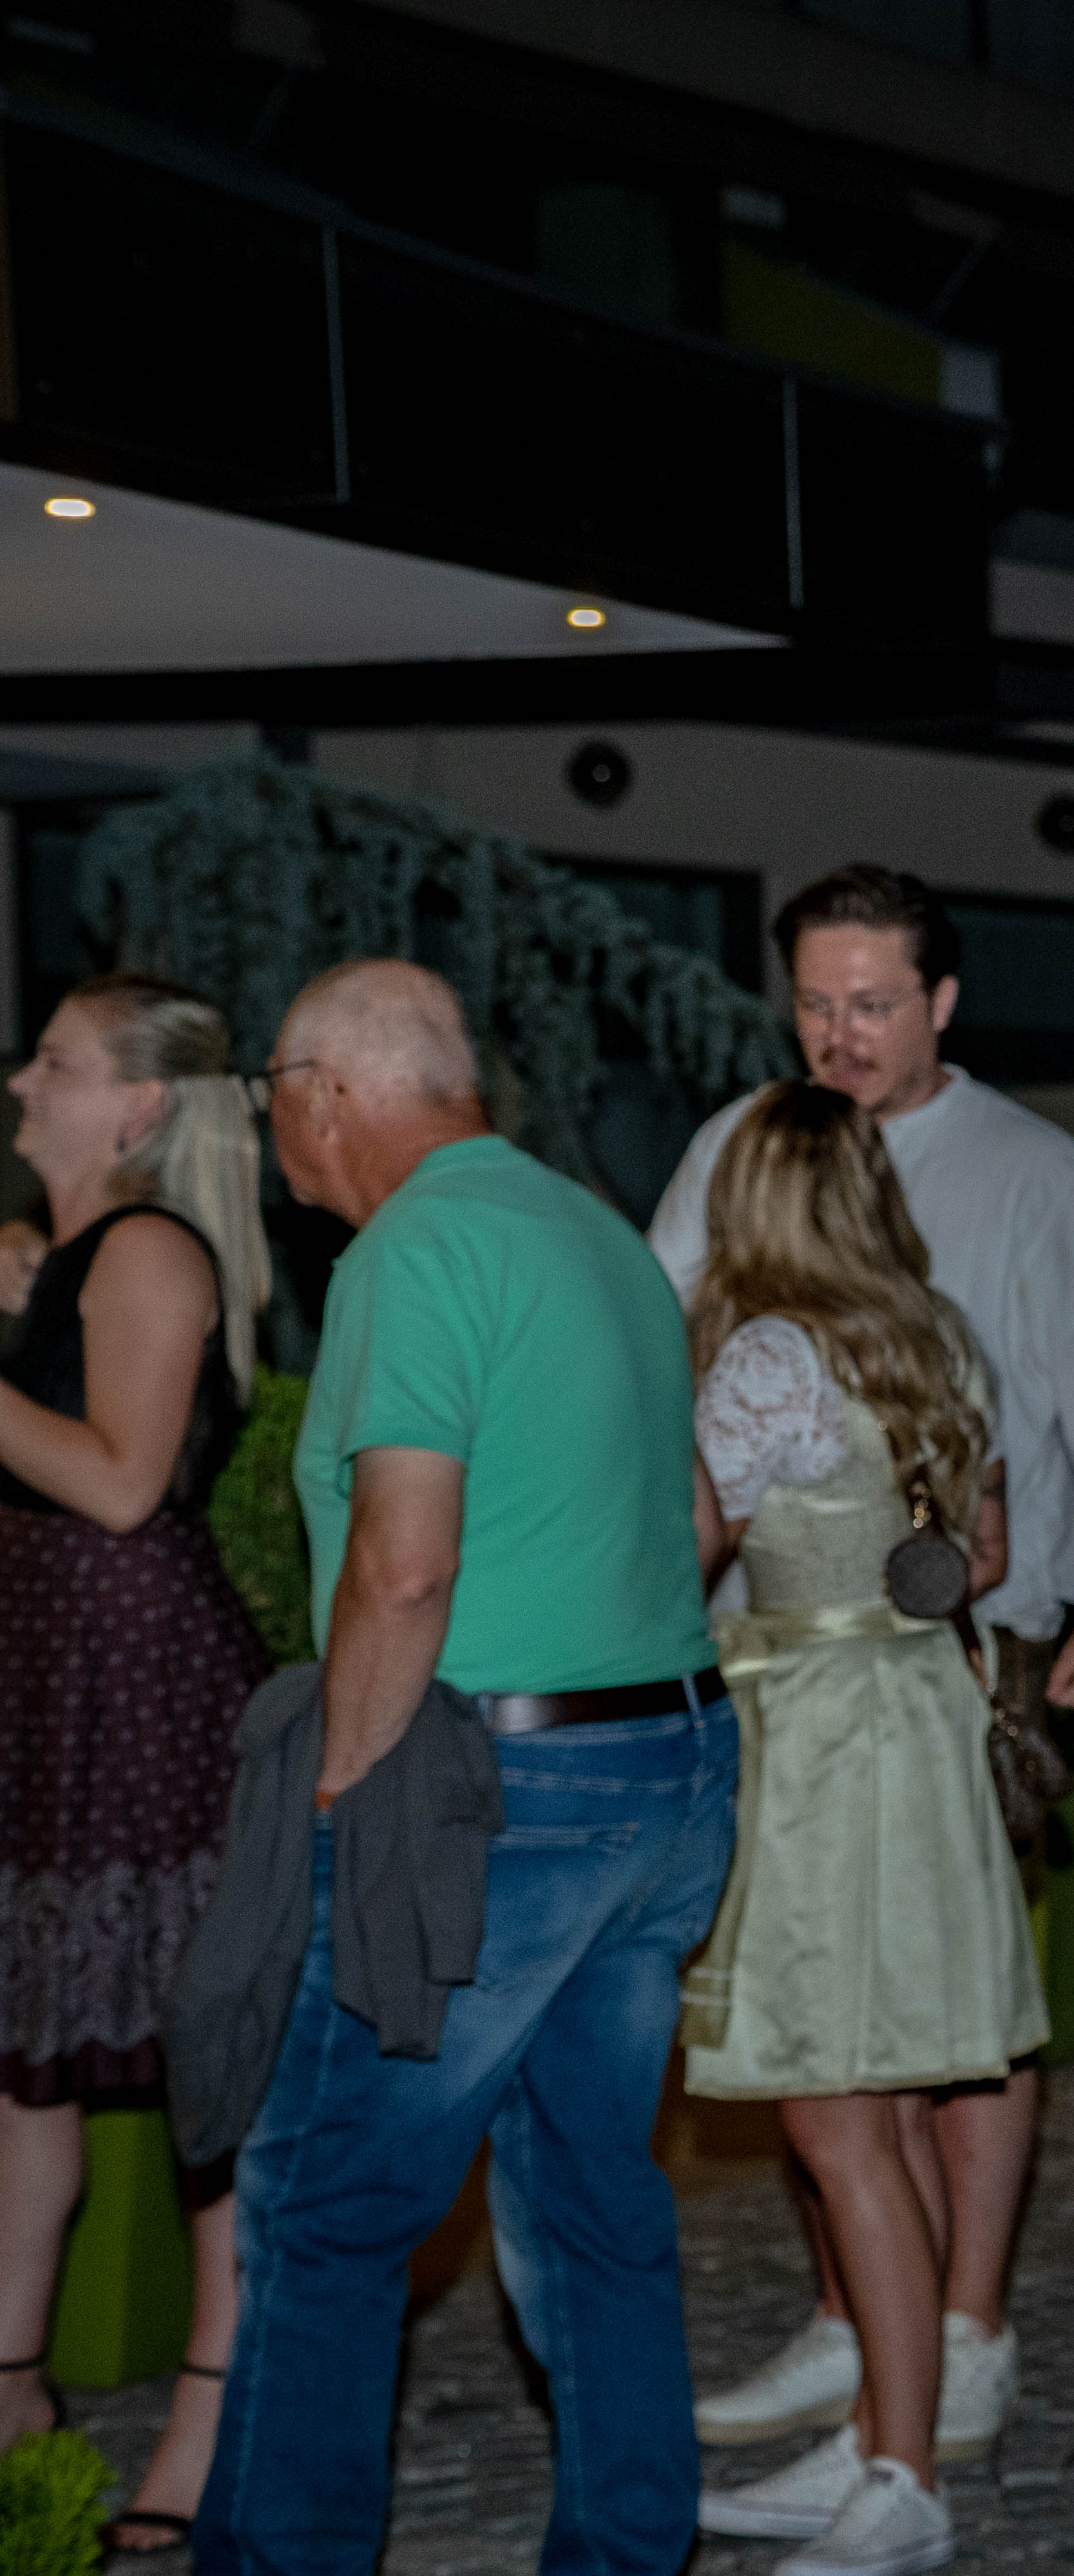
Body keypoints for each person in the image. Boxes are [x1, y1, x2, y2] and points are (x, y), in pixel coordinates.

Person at [193, 960, 734, 2576]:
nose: (275, 1127)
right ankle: (628, 2550)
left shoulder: (412, 1246)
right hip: (670, 1760)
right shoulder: (600, 1233)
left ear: (328, 1093)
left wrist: (342, 1796)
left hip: (495, 1793)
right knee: (593, 2200)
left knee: (326, 2207)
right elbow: (702, 1518)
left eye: (275, 1092)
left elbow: (403, 1564)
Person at [646, 866, 1074, 2459]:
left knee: (956, 2010)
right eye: (816, 1003)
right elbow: (655, 1341)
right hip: (780, 1639)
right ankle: (855, 2328)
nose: (841, 1033)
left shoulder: (1034, 1172)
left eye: (872, 1003)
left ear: (941, 1001)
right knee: (838, 2014)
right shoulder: (747, 1139)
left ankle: (965, 2326)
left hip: (971, 1643)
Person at [678, 1081, 1041, 2573]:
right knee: (886, 2102)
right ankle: (886, 2427)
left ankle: (902, 2476)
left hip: (820, 1737)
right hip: (922, 1717)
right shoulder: (939, 1335)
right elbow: (987, 1549)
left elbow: (680, 1545)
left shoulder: (766, 1354)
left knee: (835, 2114)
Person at [0, 974, 275, 2552]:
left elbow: (121, 1484)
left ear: (139, 1105)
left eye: (54, 1061)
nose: (20, 1082)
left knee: (202, 2057)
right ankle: (13, 2388)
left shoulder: (154, 1251)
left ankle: (213, 2405)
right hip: (58, 1685)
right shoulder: (73, 1253)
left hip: (143, 1691)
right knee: (28, 2053)